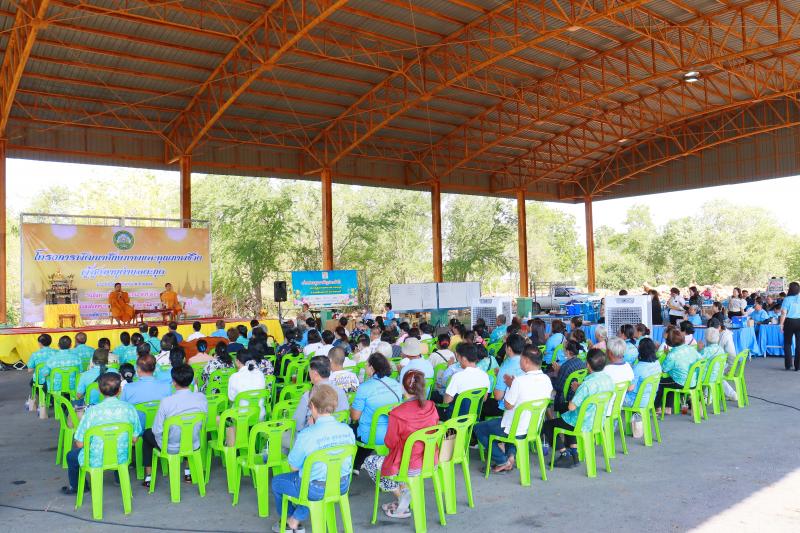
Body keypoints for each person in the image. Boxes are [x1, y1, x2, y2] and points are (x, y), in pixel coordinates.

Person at [271, 384, 355, 533]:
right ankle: (296, 518)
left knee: (278, 482)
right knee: (309, 480)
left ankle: (290, 520)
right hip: (341, 484)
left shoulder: (307, 434)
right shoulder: (347, 431)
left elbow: (294, 467)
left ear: (312, 407)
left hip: (315, 489)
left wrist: (311, 428)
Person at [362, 370, 439, 519]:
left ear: (403, 387)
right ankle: (404, 490)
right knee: (400, 456)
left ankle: (402, 496)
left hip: (408, 466)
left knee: (370, 462)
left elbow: (389, 443)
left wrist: (394, 417)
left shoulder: (398, 413)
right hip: (429, 461)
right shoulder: (431, 406)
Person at [475, 345, 552, 472]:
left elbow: (507, 405)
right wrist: (513, 385)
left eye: (521, 359)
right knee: (514, 422)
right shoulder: (546, 379)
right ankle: (510, 456)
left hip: (514, 427)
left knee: (479, 428)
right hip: (532, 427)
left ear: (526, 361)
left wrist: (511, 386)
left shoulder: (519, 381)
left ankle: (502, 460)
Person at [62, 373, 142, 495]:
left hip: (95, 458)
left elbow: (80, 444)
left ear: (99, 390)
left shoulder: (92, 412)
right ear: (120, 390)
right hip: (122, 456)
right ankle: (120, 478)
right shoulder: (130, 409)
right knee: (119, 442)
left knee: (71, 456)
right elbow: (135, 439)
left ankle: (79, 488)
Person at [543, 349, 614, 468]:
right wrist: (579, 389)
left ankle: (564, 454)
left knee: (549, 424)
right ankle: (574, 454)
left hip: (582, 423)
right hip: (597, 420)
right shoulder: (608, 380)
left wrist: (578, 390)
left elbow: (571, 407)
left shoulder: (587, 385)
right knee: (568, 417)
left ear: (588, 365)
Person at [139, 364, 207, 487]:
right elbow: (203, 421)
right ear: (191, 379)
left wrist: (162, 443)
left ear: (174, 382)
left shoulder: (166, 401)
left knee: (147, 434)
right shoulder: (201, 398)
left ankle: (148, 477)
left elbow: (157, 430)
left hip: (171, 446)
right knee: (187, 432)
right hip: (193, 443)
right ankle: (188, 472)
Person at [351, 353, 404, 470]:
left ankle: (353, 465)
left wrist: (352, 406)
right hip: (392, 433)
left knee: (349, 428)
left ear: (372, 368)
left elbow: (355, 416)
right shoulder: (396, 385)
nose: (365, 366)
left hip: (371, 436)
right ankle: (358, 464)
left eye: (366, 364)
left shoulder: (364, 387)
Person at [294, 356, 349, 432]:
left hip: (314, 435)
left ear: (315, 373)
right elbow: (346, 417)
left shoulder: (308, 396)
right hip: (338, 433)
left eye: (309, 371)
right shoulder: (341, 392)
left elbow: (298, 425)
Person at [439, 342, 490, 420]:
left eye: (458, 357)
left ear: (463, 358)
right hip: (474, 417)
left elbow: (446, 401)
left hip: (454, 418)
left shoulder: (457, 376)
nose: (458, 360)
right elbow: (484, 399)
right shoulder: (485, 375)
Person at [120, 353, 172, 426]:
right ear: (155, 369)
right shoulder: (167, 386)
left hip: (138, 431)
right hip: (160, 428)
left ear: (138, 369)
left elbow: (123, 411)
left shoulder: (128, 388)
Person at [656, 329, 701, 413]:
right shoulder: (691, 349)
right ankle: (668, 408)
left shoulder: (672, 354)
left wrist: (667, 355)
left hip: (681, 383)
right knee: (670, 381)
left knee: (660, 382)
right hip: (693, 381)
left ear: (669, 342)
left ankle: (657, 407)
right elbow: (701, 360)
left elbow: (664, 369)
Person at [482, 333, 526, 419]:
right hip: (523, 403)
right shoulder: (527, 362)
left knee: (480, 405)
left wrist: (499, 377)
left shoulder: (505, 368)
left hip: (506, 407)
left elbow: (498, 397)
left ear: (509, 349)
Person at [227, 350, 267, 418]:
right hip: (259, 415)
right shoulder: (260, 374)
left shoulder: (234, 376)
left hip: (241, 417)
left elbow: (231, 398)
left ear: (237, 361)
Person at [623, 338, 662, 407]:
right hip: (651, 399)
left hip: (636, 401)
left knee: (615, 396)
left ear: (640, 350)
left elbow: (630, 388)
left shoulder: (638, 367)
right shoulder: (657, 363)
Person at [550, 340, 586, 413]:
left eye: (563, 349)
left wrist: (557, 372)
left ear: (567, 352)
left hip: (565, 400)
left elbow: (558, 387)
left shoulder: (565, 366)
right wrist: (560, 371)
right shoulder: (582, 363)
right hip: (576, 395)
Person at [603, 338, 635, 404]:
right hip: (618, 405)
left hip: (605, 406)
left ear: (610, 352)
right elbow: (631, 387)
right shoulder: (628, 366)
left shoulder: (606, 370)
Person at [780, 281, 800, 371]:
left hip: (789, 322)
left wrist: (781, 324)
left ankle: (788, 365)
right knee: (799, 344)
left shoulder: (787, 299)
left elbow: (783, 313)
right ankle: (798, 366)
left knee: (787, 343)